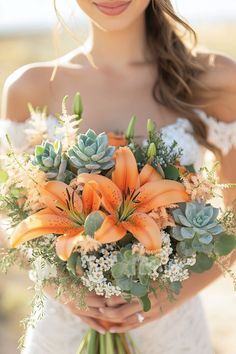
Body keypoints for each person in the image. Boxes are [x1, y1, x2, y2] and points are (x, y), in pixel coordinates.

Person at [1, 1, 236, 353]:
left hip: (172, 334)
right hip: (60, 331)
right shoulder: (30, 86)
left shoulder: (216, 79)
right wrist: (63, 290)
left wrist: (168, 297)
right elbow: (11, 218)